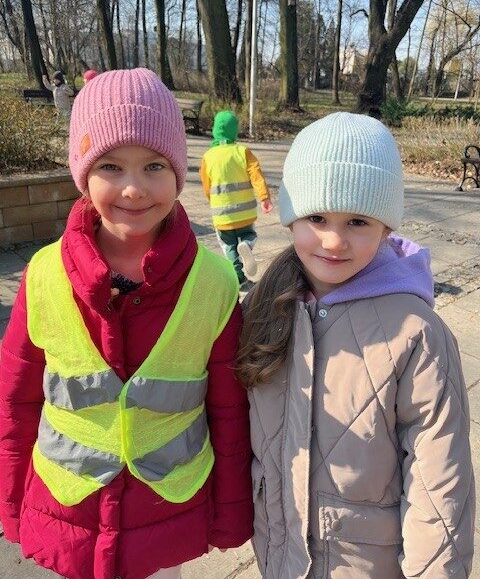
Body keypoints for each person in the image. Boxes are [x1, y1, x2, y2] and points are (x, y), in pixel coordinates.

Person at [0, 68, 253, 579]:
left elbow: (229, 411)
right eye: (110, 166)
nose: (134, 189)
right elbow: (16, 402)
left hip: (164, 516)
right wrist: (10, 506)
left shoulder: (214, 282)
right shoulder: (44, 274)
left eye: (154, 166)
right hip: (69, 512)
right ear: (82, 173)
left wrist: (231, 514)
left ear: (178, 172)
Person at [237, 112, 475, 579]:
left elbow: (438, 481)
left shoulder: (415, 333)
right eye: (317, 217)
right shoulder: (264, 307)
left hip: (366, 563)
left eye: (358, 221)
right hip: (279, 551)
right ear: (291, 218)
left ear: (386, 228)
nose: (333, 240)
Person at [200, 110, 273, 290]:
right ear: (234, 130)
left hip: (222, 214)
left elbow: (206, 185)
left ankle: (239, 279)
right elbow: (256, 176)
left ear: (215, 130)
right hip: (245, 212)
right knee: (250, 234)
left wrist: (212, 200)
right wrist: (264, 197)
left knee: (228, 246)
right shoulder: (243, 152)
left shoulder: (208, 156)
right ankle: (246, 244)